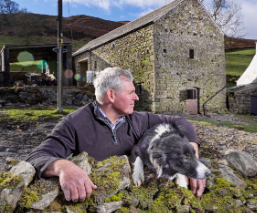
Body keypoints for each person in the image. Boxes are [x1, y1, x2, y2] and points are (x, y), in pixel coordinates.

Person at [26, 67, 206, 202]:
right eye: (131, 92)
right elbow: (36, 157)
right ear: (111, 95)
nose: (136, 97)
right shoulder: (73, 123)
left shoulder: (138, 119)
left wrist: (192, 157)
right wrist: (63, 167)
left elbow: (180, 122)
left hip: (138, 205)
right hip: (100, 206)